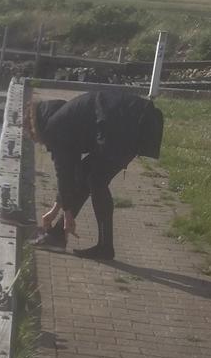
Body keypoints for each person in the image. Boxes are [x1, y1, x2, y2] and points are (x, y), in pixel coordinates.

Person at [25, 86, 163, 260]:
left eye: (35, 139)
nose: (41, 144)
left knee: (96, 179)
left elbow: (64, 172)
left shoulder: (54, 127)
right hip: (134, 120)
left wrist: (67, 214)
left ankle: (104, 248)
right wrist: (55, 210)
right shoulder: (64, 117)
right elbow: (72, 172)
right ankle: (58, 235)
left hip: (129, 125)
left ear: (35, 129)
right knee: (85, 173)